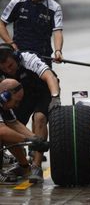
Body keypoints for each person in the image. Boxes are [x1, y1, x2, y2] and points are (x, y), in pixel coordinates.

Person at [0, 43, 60, 183]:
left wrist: (55, 97)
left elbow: (50, 76)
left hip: (42, 91)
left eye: (10, 66)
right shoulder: (7, 96)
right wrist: (29, 140)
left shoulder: (29, 59)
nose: (8, 71)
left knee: (39, 118)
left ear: (17, 58)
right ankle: (23, 165)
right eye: (3, 69)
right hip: (18, 96)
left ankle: (35, 167)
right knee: (6, 131)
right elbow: (4, 130)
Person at [0, 0, 63, 67]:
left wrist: (58, 51)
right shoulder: (17, 1)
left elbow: (57, 32)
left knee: (51, 80)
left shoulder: (55, 8)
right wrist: (10, 43)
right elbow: (1, 24)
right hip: (19, 56)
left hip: (42, 58)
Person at [0, 78, 49, 183]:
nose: (17, 105)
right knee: (6, 134)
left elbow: (14, 124)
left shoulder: (3, 105)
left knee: (11, 135)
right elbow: (2, 131)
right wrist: (28, 140)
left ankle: (25, 168)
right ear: (5, 96)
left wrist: (36, 138)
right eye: (16, 101)